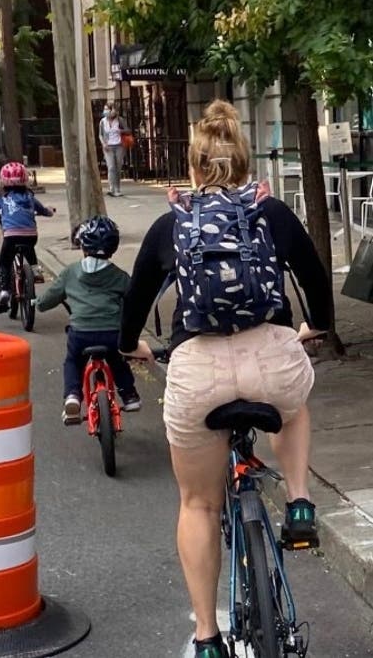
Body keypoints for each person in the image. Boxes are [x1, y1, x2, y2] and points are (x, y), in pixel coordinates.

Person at [118, 99, 330, 658]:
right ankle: (302, 503)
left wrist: (131, 348)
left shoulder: (172, 224)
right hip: (271, 359)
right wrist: (312, 327)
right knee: (295, 400)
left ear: (193, 167)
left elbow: (135, 302)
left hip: (198, 371)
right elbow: (314, 282)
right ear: (243, 160)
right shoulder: (274, 215)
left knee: (198, 505)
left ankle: (208, 637)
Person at [36, 216, 141, 423]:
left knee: (73, 362)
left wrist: (37, 303)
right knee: (118, 360)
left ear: (82, 245)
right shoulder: (120, 276)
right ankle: (129, 396)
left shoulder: (70, 273)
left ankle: (73, 396)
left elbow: (47, 300)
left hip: (81, 333)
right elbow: (134, 302)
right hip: (112, 334)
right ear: (114, 247)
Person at [0, 162, 55, 314]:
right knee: (29, 250)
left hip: (11, 236)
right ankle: (36, 271)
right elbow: (44, 211)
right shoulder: (30, 197)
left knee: (4, 262)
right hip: (31, 235)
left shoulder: (2, 199)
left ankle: (4, 291)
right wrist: (50, 211)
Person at [99, 105, 130, 197]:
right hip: (108, 147)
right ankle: (112, 188)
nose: (106, 111)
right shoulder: (102, 122)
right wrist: (103, 143)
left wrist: (121, 131)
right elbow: (100, 134)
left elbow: (128, 130)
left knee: (118, 167)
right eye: (105, 109)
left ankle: (117, 188)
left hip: (119, 146)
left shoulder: (120, 120)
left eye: (108, 109)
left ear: (114, 111)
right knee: (111, 167)